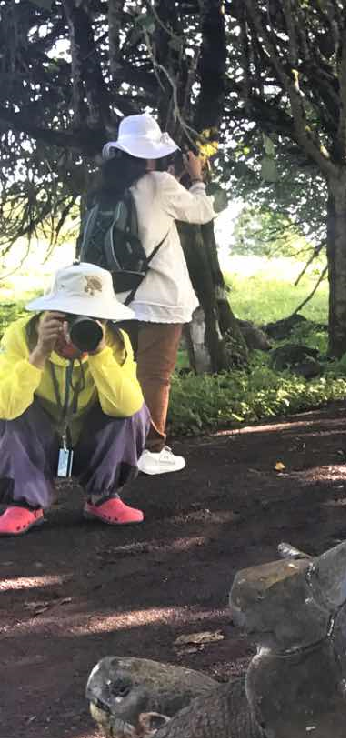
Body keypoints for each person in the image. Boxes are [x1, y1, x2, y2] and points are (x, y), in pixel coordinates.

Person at [87, 112, 216, 474]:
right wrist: (197, 178)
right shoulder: (160, 183)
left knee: (120, 372)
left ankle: (115, 446)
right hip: (160, 299)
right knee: (155, 375)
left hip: (118, 299)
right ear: (149, 153)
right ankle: (152, 449)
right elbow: (201, 212)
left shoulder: (106, 190)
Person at [0, 263, 150, 536]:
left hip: (88, 439)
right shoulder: (22, 336)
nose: (81, 327)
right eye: (72, 317)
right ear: (52, 314)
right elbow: (5, 407)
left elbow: (128, 408)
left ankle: (103, 497)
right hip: (36, 440)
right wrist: (39, 353)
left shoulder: (116, 341)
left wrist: (100, 353)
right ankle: (24, 502)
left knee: (133, 410)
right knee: (12, 406)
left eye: (95, 317)